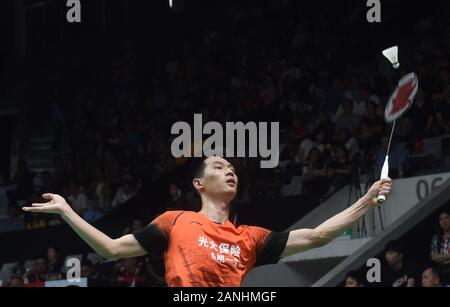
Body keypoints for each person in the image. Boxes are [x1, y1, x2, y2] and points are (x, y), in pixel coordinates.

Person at [23, 156, 392, 287]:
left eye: (232, 168)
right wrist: (67, 211)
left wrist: (367, 200)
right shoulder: (174, 221)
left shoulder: (251, 238)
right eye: (219, 166)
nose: (229, 170)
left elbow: (316, 237)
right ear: (199, 184)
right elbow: (111, 249)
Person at [430, 210, 450, 284]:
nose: (444, 221)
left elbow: (439, 257)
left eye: (446, 218)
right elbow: (434, 257)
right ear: (439, 223)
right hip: (445, 274)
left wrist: (442, 257)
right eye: (441, 219)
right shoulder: (436, 238)